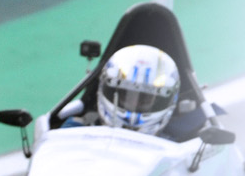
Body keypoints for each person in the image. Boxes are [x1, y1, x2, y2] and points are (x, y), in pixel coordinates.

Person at [57, 44, 186, 138]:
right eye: (126, 96)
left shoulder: (182, 148)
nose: (134, 104)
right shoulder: (72, 131)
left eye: (145, 99)